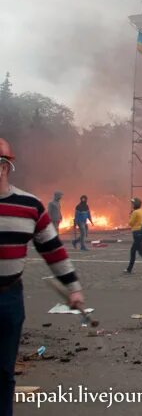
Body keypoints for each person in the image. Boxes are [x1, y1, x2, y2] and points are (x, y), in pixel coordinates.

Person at [0, 138, 84, 415]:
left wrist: (73, 287)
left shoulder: (30, 205)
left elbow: (53, 250)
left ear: (5, 166)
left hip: (9, 299)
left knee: (3, 375)